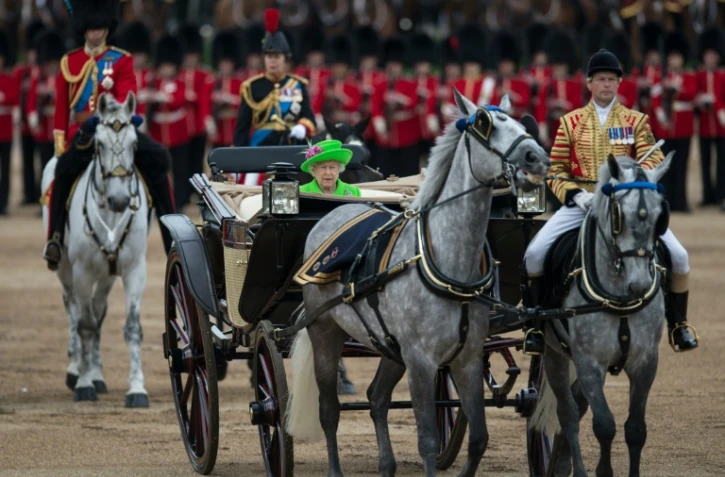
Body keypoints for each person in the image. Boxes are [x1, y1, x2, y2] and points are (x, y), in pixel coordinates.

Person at [521, 49, 698, 355]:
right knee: (534, 255)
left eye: (612, 80)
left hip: (627, 206)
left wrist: (636, 179)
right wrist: (576, 195)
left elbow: (653, 158)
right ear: (589, 83)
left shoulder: (636, 121)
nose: (606, 85)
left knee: (680, 257)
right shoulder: (569, 122)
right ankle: (537, 325)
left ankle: (678, 325)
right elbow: (556, 170)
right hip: (583, 204)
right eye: (601, 79)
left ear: (619, 84)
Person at [42, 0, 176, 270]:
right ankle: (55, 238)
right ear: (83, 29)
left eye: (100, 28)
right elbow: (60, 110)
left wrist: (111, 117)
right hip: (79, 132)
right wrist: (60, 145)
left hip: (117, 129)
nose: (95, 33)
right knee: (62, 173)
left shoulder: (121, 59)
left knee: (159, 164)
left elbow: (128, 96)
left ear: (107, 28)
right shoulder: (70, 62)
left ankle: (171, 237)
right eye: (91, 29)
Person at [233, 8, 316, 151]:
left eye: (277, 57)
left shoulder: (298, 85)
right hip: (260, 147)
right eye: (269, 57)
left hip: (291, 147)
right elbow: (243, 126)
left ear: (285, 59)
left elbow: (309, 117)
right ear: (263, 59)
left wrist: (303, 127)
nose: (273, 61)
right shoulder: (252, 86)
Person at [0, 28, 19, 216]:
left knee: (5, 169)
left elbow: (13, 98)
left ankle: (3, 202)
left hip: (5, 130)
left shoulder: (9, 78)